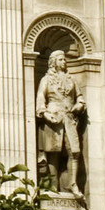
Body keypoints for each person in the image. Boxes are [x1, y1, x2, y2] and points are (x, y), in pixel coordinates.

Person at [36, 48, 86, 201]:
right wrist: (45, 113)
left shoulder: (72, 80)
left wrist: (79, 106)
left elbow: (80, 98)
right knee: (53, 153)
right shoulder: (46, 79)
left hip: (69, 118)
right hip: (54, 117)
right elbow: (40, 98)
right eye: (61, 59)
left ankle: (72, 184)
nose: (64, 62)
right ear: (53, 62)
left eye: (64, 59)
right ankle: (53, 186)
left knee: (74, 152)